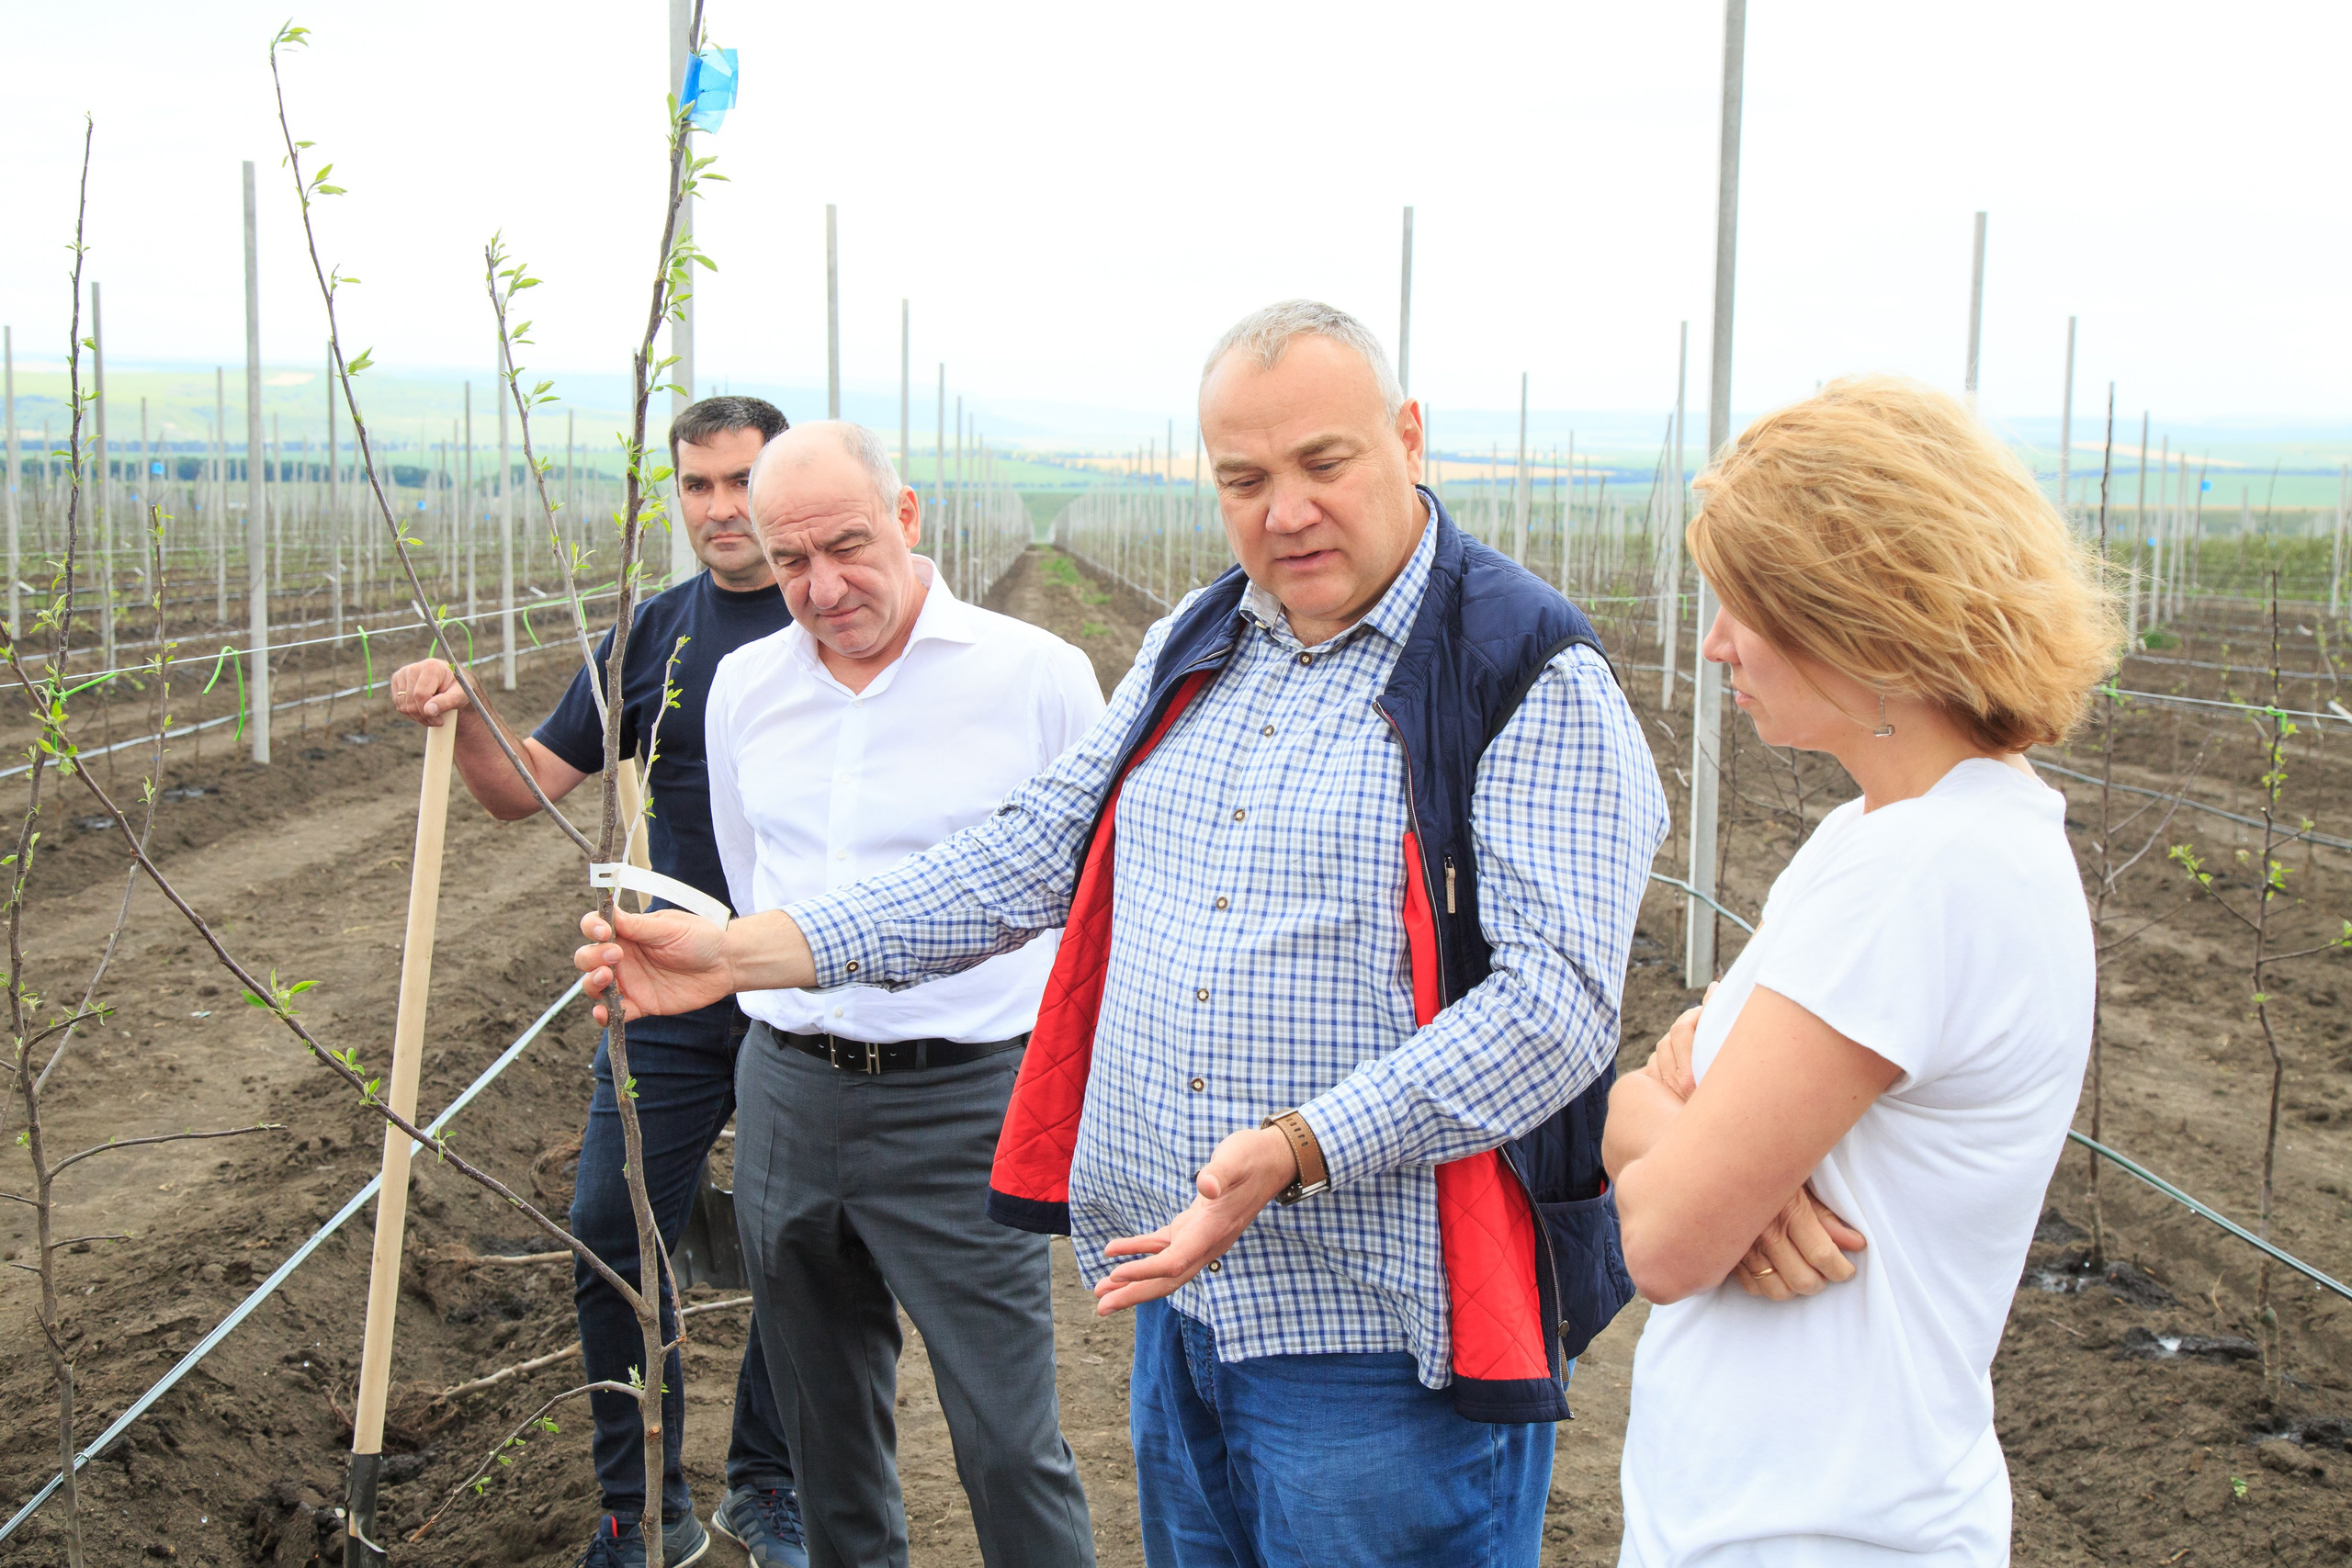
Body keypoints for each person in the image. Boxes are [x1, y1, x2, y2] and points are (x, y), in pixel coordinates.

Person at [576, 301, 1668, 1568]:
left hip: (1377, 1335)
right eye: (1246, 478)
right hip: (1184, 1304)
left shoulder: (1522, 667)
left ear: (1408, 436)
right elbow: (1031, 849)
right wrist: (746, 949)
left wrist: (1299, 1145)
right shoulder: (1202, 640)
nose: (1287, 510)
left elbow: (1557, 1006)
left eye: (1325, 463)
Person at [1604, 375, 2115, 1566]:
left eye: (1746, 604)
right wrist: (1676, 1127)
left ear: (1859, 612)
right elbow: (1657, 1117)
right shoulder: (1891, 838)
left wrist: (1674, 1130)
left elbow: (1669, 1235)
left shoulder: (1922, 871)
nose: (1717, 640)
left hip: (1818, 1530)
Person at [389, 395, 807, 1568]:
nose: (723, 510)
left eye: (744, 482)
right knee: (608, 1229)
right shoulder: (652, 635)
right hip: (674, 980)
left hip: (813, 986)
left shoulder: (838, 619)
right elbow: (525, 786)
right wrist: (468, 712)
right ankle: (640, 1502)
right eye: (698, 487)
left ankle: (767, 1484)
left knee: (796, 1246)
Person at [706, 421, 1104, 1568]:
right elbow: (752, 885)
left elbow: (1088, 898)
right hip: (786, 1094)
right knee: (825, 1436)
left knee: (1005, 1438)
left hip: (963, 1104)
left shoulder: (1033, 677)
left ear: (908, 517)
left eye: (847, 545)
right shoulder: (744, 688)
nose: (824, 588)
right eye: (791, 563)